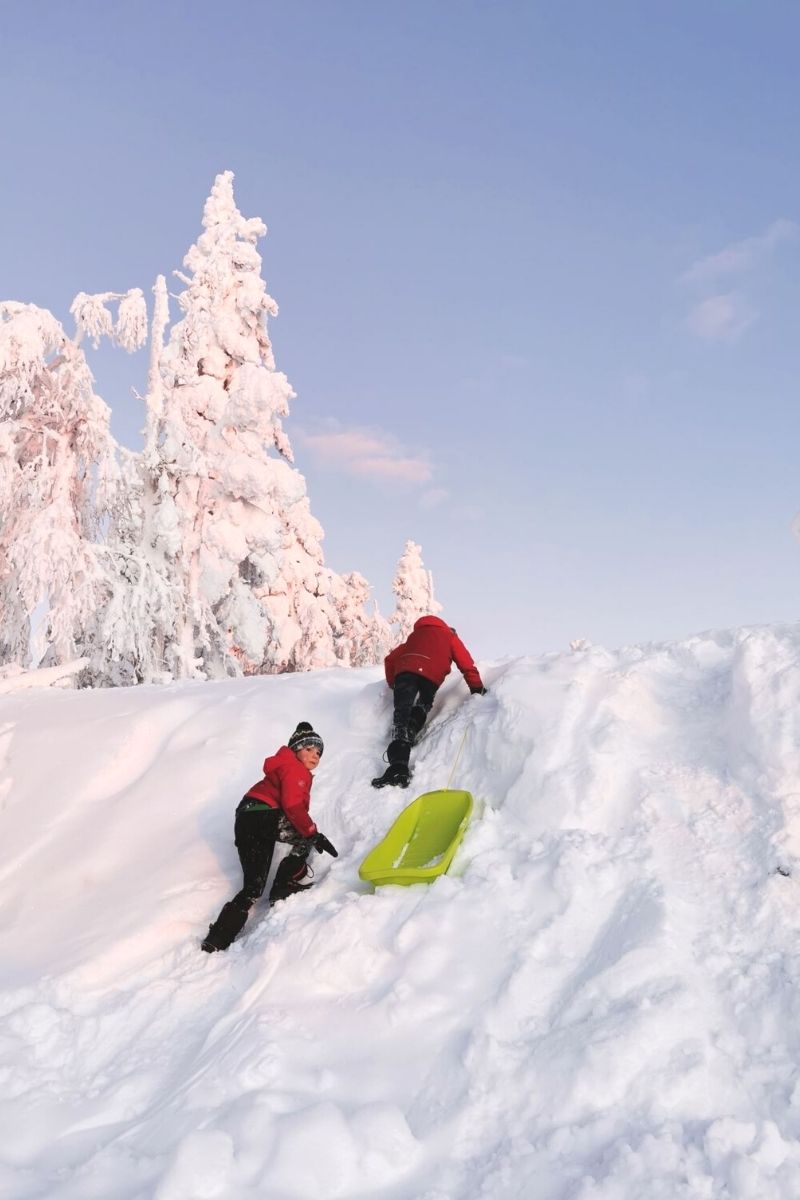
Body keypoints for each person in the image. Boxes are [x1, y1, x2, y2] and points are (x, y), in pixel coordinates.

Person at [201, 722, 337, 952]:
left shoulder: (282, 767)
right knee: (305, 838)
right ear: (296, 749)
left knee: (253, 888)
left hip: (246, 818)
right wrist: (314, 833)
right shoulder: (295, 769)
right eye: (309, 749)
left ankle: (217, 939)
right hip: (265, 814)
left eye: (318, 752)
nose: (315, 755)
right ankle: (284, 885)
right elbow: (293, 806)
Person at [372, 615, 487, 789]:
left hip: (405, 673)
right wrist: (477, 689)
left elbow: (390, 659)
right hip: (430, 677)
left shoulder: (415, 637)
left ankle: (398, 763)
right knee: (423, 704)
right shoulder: (450, 637)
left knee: (400, 715)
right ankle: (411, 730)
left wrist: (393, 684)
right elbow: (466, 665)